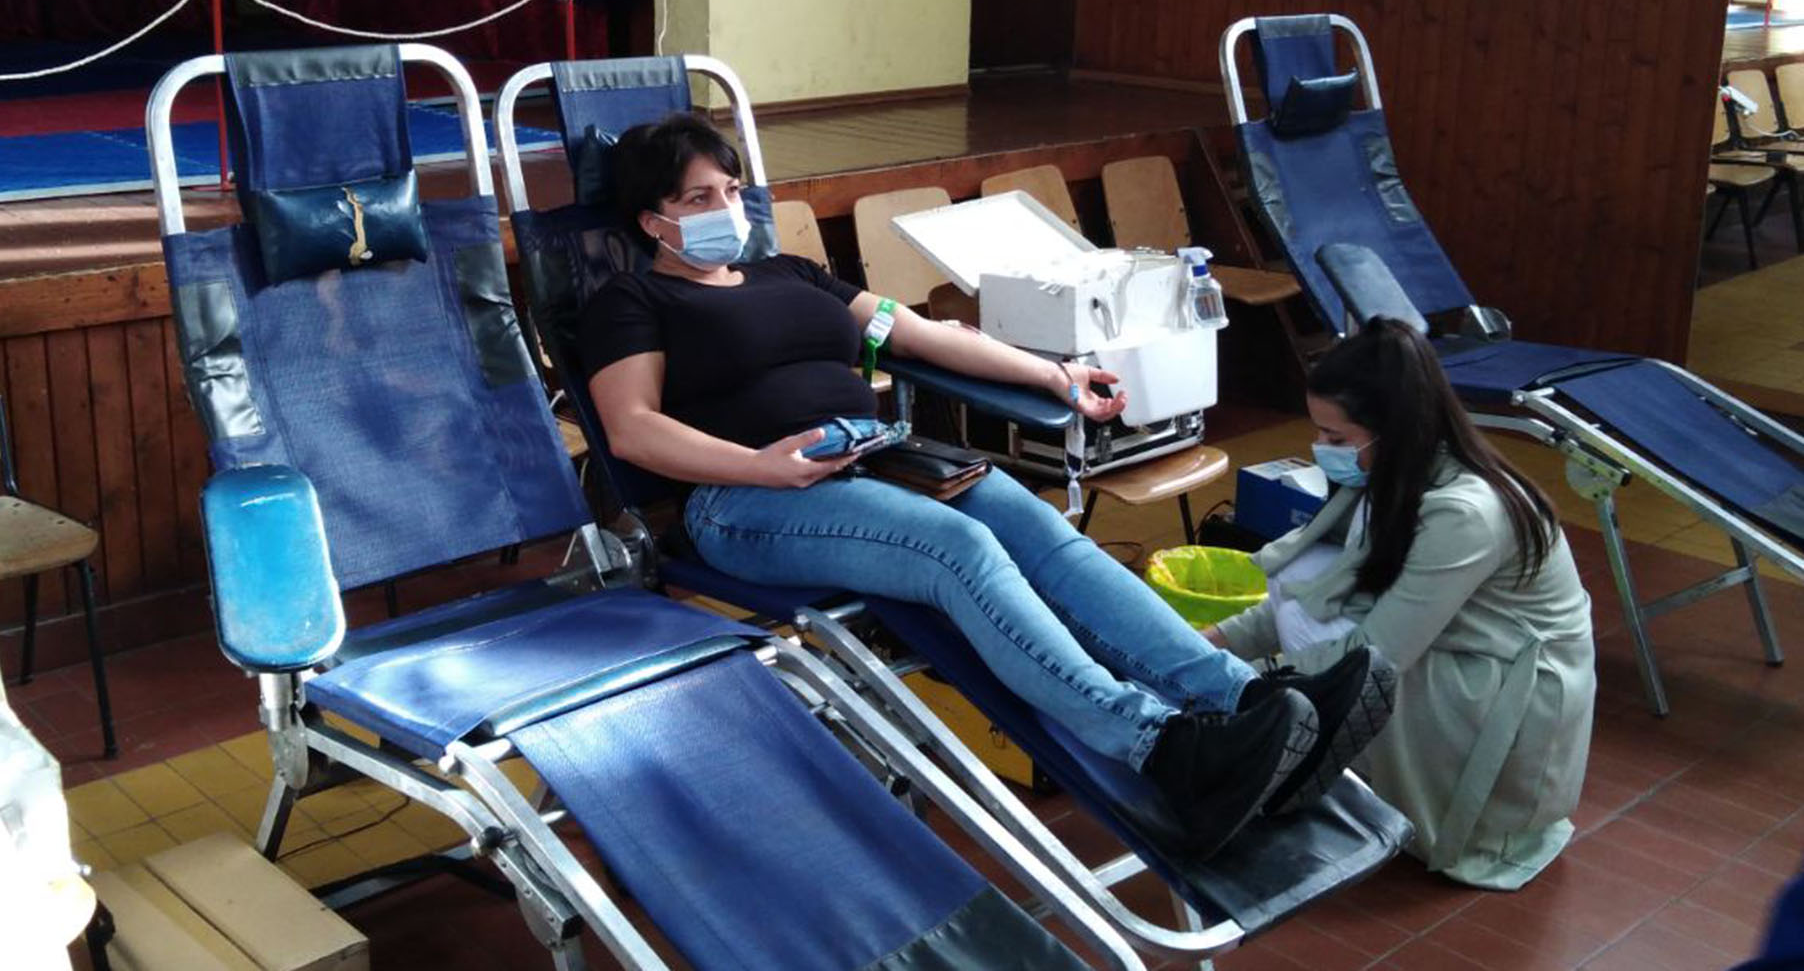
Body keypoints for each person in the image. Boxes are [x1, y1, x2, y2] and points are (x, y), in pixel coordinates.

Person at [578, 113, 1395, 858]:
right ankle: (1160, 745)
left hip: (879, 460)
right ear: (653, 221)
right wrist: (760, 465)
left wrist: (1055, 375)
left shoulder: (791, 272)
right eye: (699, 198)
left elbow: (920, 335)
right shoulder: (633, 300)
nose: (726, 208)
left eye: (731, 189)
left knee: (1035, 526)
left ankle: (1243, 701)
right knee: (957, 545)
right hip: (749, 500)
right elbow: (632, 426)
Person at [1205, 318, 1596, 888]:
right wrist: (1209, 646)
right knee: (1302, 581)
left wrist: (1247, 692)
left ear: (1391, 428)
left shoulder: (1465, 512)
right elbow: (1327, 588)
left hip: (1505, 693)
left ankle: (1351, 773)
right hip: (1466, 650)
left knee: (1314, 636)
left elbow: (1380, 654)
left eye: (1336, 438)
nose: (1321, 450)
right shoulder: (1400, 473)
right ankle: (1325, 753)